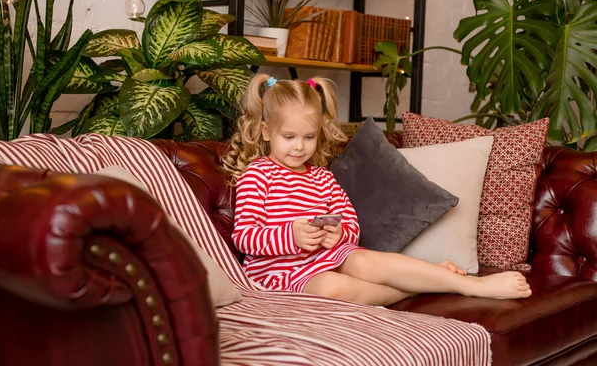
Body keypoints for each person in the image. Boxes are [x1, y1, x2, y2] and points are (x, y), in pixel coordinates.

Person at [222, 74, 532, 306]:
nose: (299, 147)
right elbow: (245, 236)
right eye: (289, 137)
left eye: (308, 137)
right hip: (281, 274)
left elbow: (350, 223)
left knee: (363, 259)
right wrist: (291, 235)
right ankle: (430, 283)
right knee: (332, 289)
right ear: (266, 131)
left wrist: (338, 234)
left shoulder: (322, 177)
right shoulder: (258, 174)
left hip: (327, 258)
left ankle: (471, 285)